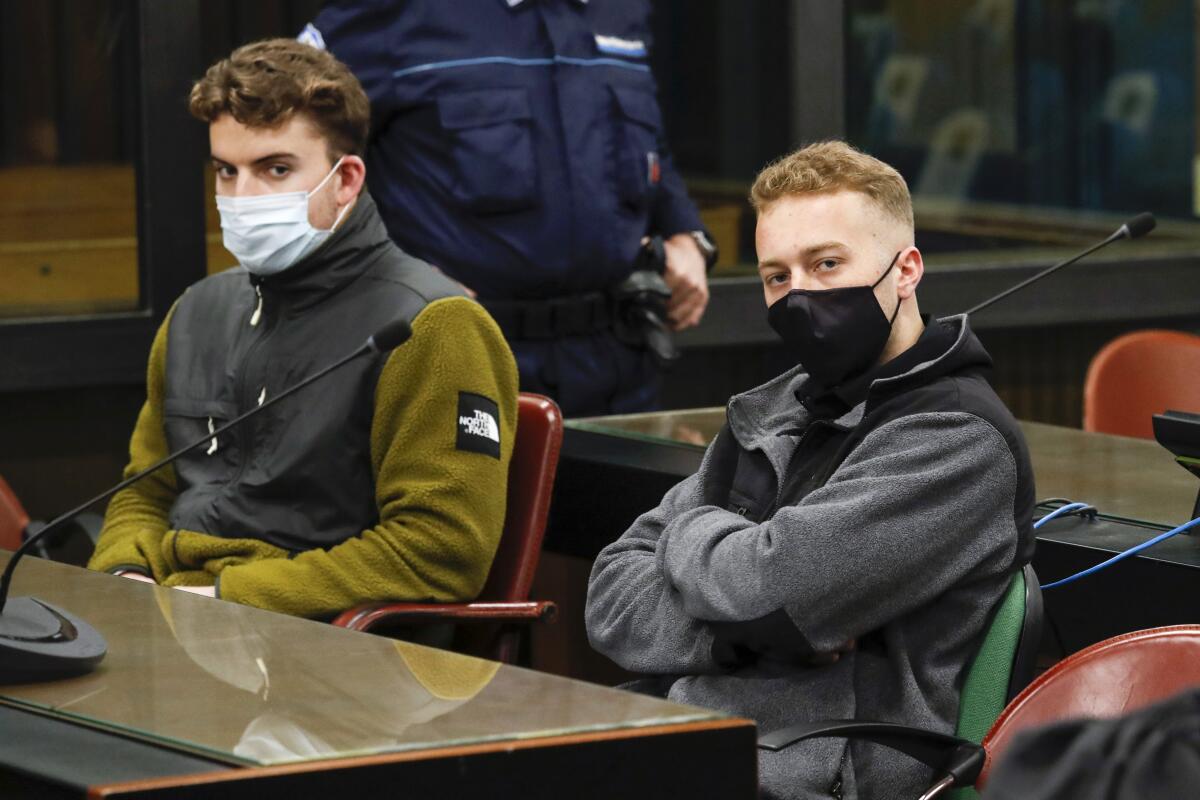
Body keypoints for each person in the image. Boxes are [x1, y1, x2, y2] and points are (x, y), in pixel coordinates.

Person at [585, 141, 1036, 799]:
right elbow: (611, 595)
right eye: (777, 276)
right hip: (700, 726)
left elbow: (775, 594)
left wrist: (691, 536)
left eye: (826, 264)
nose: (799, 295)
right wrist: (736, 635)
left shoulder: (955, 438)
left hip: (825, 766)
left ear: (905, 269)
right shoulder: (777, 409)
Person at [88, 40, 518, 620]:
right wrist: (125, 574)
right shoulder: (196, 311)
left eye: (276, 169)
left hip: (328, 652)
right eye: (226, 171)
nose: (243, 198)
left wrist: (224, 600)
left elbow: (440, 551)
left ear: (345, 181)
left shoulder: (431, 324)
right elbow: (144, 493)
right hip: (175, 623)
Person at [298, 1, 717, 416]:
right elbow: (286, 156)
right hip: (463, 360)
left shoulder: (622, 10)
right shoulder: (392, 13)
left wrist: (685, 234)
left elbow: (647, 145)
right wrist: (382, 273)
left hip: (618, 364)